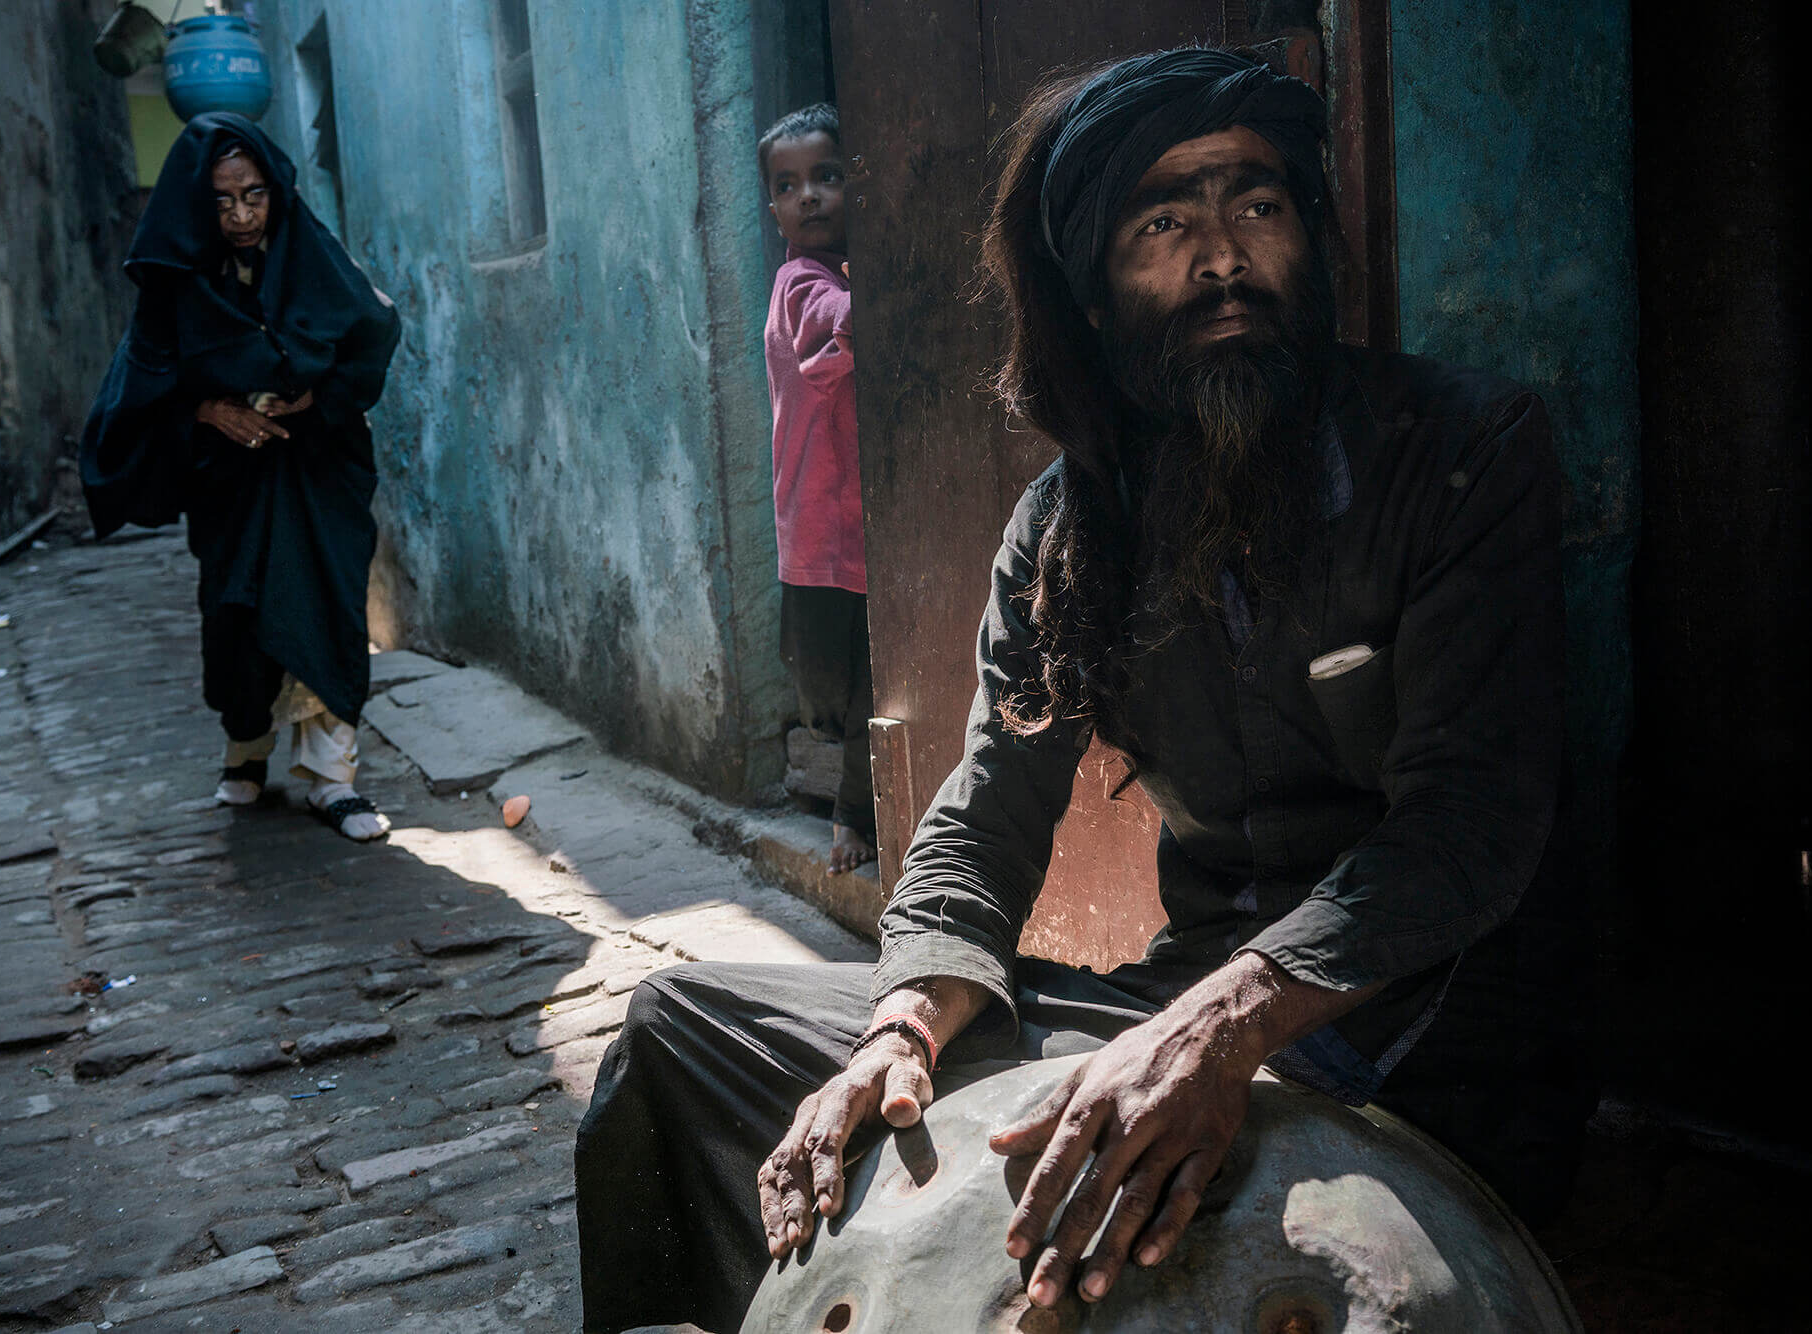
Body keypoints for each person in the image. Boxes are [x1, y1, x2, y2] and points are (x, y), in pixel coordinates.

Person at [574, 47, 1596, 1334]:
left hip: (1413, 1044)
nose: (1222, 258)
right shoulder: (1065, 528)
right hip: (1173, 1006)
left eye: (1258, 207)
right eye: (1165, 224)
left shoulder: (1461, 453)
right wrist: (898, 1030)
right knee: (684, 1023)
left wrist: (1220, 1033)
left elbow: (1467, 824)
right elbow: (985, 811)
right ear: (1094, 287)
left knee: (1096, 1271)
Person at [80, 113, 401, 842]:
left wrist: (317, 395)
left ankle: (332, 778)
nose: (241, 215)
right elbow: (139, 386)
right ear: (201, 203)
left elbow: (371, 336)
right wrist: (208, 411)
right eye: (223, 200)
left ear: (275, 192)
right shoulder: (176, 285)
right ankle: (247, 748)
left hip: (319, 470)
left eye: (253, 195)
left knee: (325, 607)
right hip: (231, 484)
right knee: (238, 617)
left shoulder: (310, 257)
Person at [758, 102, 876, 873]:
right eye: (788, 184)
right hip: (828, 537)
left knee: (876, 686)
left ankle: (856, 811)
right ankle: (853, 811)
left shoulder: (840, 272)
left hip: (863, 532)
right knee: (839, 686)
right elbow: (846, 323)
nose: (809, 196)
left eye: (827, 176)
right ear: (773, 209)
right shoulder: (803, 284)